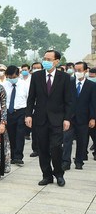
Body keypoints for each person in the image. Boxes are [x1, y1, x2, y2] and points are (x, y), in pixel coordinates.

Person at [26, 50, 73, 187]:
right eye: (44, 58)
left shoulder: (64, 78)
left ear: (57, 61)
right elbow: (31, 98)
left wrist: (67, 118)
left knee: (56, 147)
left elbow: (69, 101)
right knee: (43, 149)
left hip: (57, 119)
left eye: (48, 59)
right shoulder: (37, 76)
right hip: (40, 119)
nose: (45, 61)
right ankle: (46, 175)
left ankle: (58, 173)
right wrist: (28, 114)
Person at [62, 62, 96, 170]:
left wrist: (93, 118)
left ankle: (79, 161)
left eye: (80, 70)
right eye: (75, 70)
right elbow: (65, 101)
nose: (77, 72)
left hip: (84, 118)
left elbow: (93, 103)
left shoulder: (91, 85)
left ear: (85, 71)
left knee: (82, 141)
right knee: (67, 140)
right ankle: (66, 162)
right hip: (69, 118)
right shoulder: (69, 83)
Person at [3, 65, 28, 166]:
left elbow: (29, 99)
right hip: (9, 112)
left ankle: (18, 157)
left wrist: (28, 114)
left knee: (20, 135)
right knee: (11, 135)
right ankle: (12, 155)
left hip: (21, 111)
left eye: (13, 77)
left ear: (18, 75)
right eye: (9, 77)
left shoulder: (25, 85)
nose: (11, 79)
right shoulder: (5, 85)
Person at [29, 61, 43, 157]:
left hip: (41, 107)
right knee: (34, 131)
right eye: (34, 68)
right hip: (32, 108)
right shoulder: (27, 79)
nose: (36, 69)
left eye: (38, 68)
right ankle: (36, 149)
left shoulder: (43, 79)